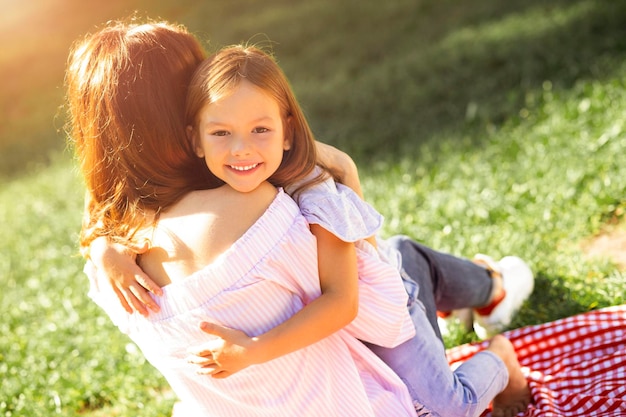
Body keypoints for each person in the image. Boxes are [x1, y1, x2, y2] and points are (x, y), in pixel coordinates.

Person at [75, 18, 532, 415]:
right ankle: (457, 275)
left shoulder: (266, 183)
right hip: (363, 289)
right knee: (396, 263)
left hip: (373, 293)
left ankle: (485, 287)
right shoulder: (146, 230)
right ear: (184, 115)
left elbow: (354, 286)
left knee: (441, 384)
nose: (241, 143)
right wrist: (103, 243)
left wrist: (103, 246)